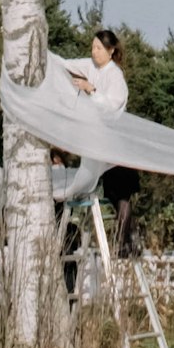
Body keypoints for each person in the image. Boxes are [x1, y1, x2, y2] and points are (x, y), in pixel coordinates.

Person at [65, 29, 140, 262]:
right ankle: (127, 240)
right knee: (113, 193)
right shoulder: (91, 66)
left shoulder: (114, 75)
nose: (94, 52)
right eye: (93, 47)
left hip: (117, 143)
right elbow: (67, 64)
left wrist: (92, 90)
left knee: (122, 195)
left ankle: (125, 242)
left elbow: (112, 108)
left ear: (111, 50)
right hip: (101, 145)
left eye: (99, 48)